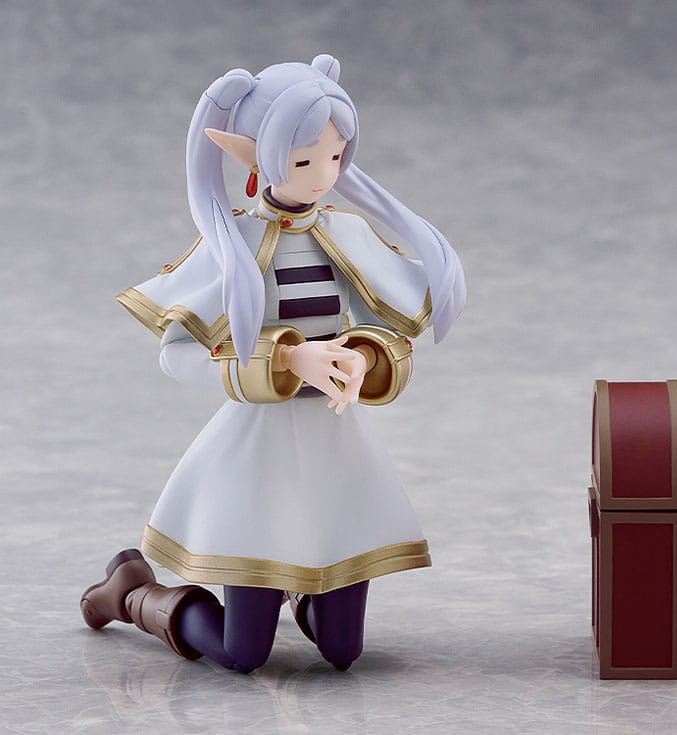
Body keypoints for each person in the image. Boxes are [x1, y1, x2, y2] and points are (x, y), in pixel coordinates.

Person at [80, 55, 466, 674]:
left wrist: (362, 357)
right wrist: (287, 358)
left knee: (343, 652)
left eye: (335, 157)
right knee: (244, 653)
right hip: (256, 459)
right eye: (305, 162)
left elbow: (392, 330)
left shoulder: (347, 235)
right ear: (252, 156)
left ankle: (302, 585)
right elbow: (178, 356)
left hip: (337, 452)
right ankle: (133, 593)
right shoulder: (230, 245)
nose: (324, 176)